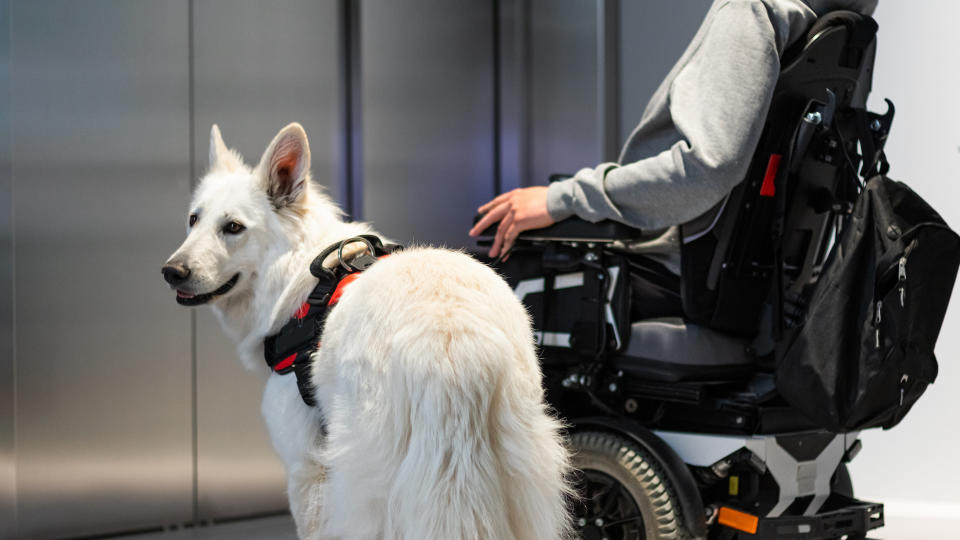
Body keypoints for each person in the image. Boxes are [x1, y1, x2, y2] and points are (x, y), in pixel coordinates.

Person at [469, 0, 879, 276]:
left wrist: (564, 198)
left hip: (667, 265)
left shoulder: (753, 12)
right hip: (752, 282)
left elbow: (709, 168)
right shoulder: (847, 24)